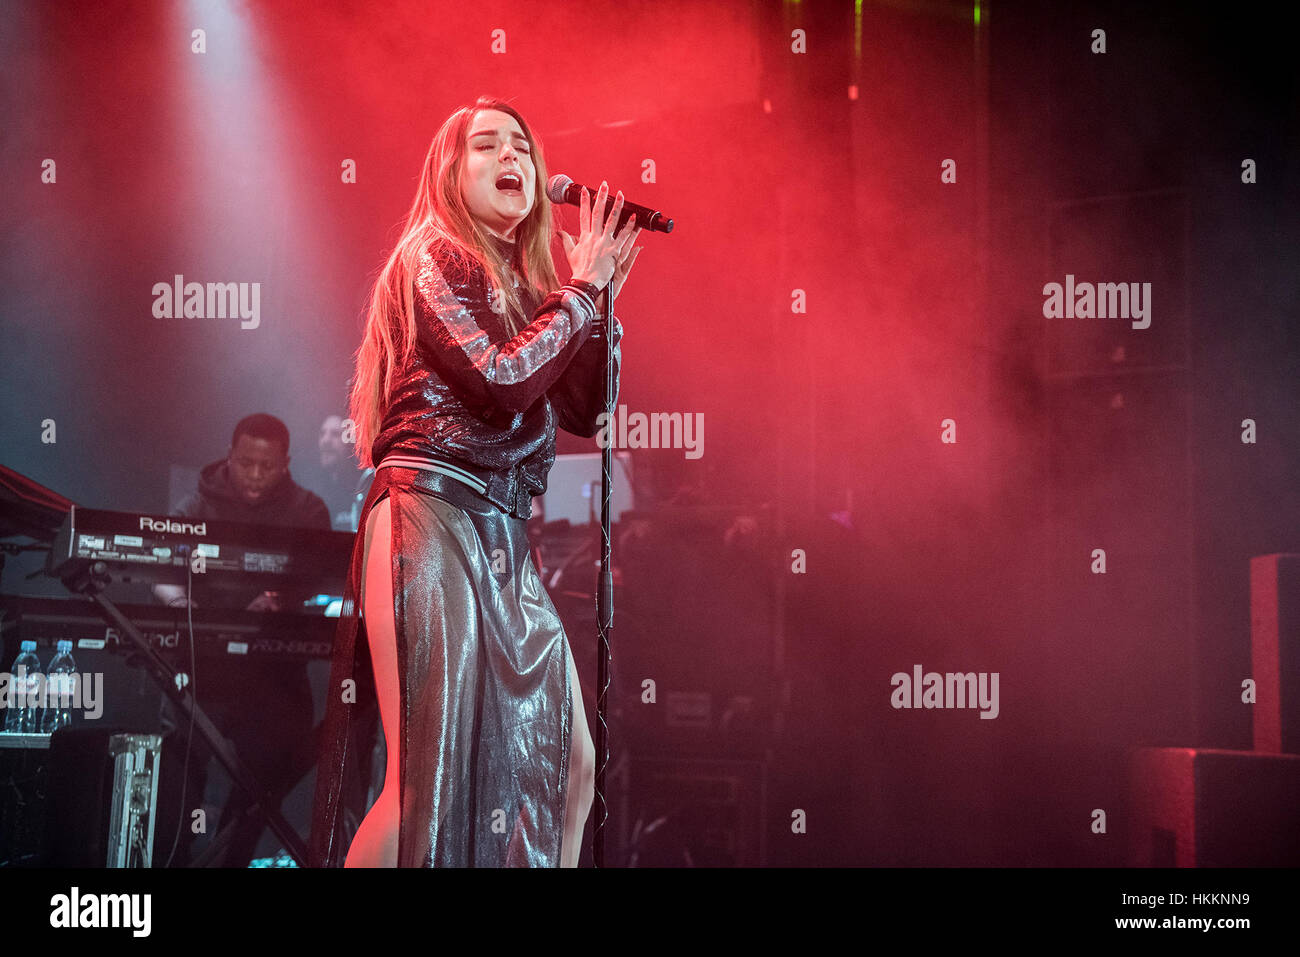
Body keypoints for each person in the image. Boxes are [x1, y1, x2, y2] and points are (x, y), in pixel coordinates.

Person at [309, 95, 644, 868]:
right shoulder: (430, 254)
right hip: (430, 511)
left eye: (522, 146)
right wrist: (581, 292)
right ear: (450, 173)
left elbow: (587, 411)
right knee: (424, 779)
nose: (511, 158)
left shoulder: (532, 288)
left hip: (503, 534)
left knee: (572, 767)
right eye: (487, 145)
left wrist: (600, 302)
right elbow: (504, 378)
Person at [153, 413, 330, 866]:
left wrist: (278, 599)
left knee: (265, 783)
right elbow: (160, 574)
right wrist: (183, 607)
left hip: (273, 674)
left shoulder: (308, 510)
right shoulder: (194, 506)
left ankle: (229, 860)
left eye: (266, 467)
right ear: (229, 456)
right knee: (178, 774)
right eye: (246, 463)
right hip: (202, 667)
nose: (254, 475)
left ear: (285, 464)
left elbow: (319, 574)